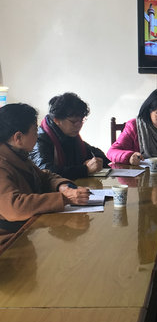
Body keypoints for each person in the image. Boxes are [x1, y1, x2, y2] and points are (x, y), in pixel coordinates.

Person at [0, 103, 90, 243]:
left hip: (25, 231)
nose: (37, 135)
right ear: (18, 138)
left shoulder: (18, 155)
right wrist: (64, 198)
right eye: (35, 131)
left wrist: (63, 187)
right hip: (7, 243)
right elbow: (15, 207)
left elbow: (45, 176)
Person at [30, 92, 109, 180]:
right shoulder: (40, 140)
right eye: (73, 122)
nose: (79, 125)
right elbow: (46, 172)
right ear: (57, 120)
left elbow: (94, 153)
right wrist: (85, 169)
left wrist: (96, 161)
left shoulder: (71, 136)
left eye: (81, 120)